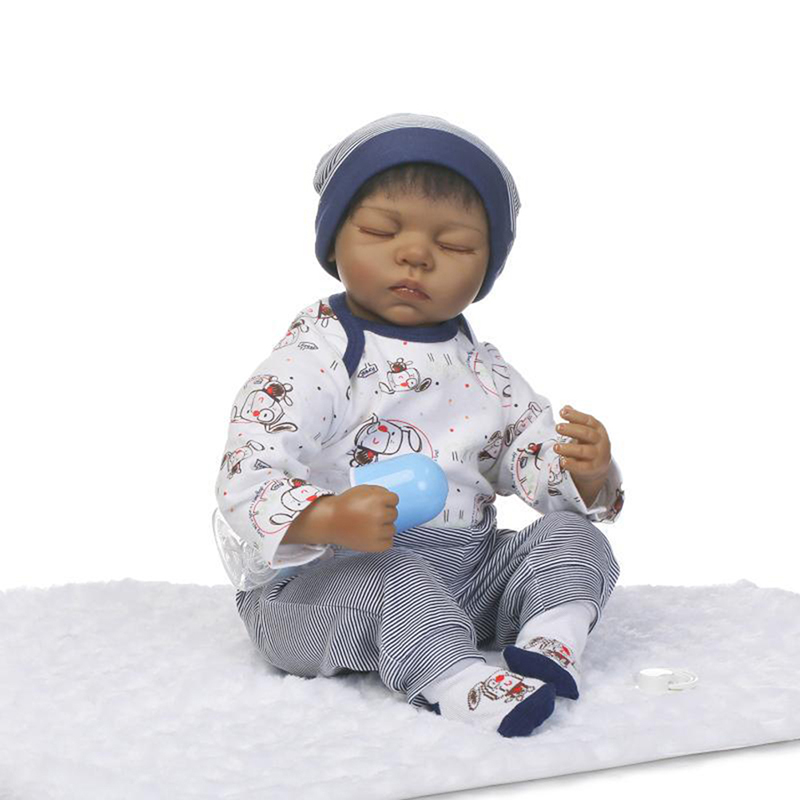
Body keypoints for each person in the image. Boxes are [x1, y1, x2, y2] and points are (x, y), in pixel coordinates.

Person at [214, 113, 625, 738]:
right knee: (394, 582)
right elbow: (247, 469)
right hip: (329, 585)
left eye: (454, 245)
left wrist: (581, 469)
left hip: (467, 576)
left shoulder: (484, 370)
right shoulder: (316, 361)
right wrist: (325, 517)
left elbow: (525, 449)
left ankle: (550, 638)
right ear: (334, 242)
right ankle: (456, 679)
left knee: (574, 535)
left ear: (485, 271)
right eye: (382, 231)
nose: (415, 254)